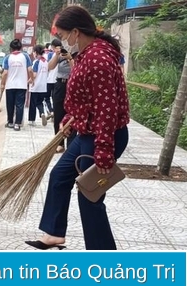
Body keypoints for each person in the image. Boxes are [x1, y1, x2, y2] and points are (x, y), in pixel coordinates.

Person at [25, 5, 130, 251]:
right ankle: (53, 233)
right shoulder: (86, 54)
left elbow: (106, 109)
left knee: (89, 196)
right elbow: (87, 98)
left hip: (103, 136)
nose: (62, 41)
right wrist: (71, 117)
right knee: (60, 176)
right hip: (86, 134)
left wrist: (104, 151)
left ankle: (103, 255)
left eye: (62, 36)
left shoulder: (98, 59)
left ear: (75, 32)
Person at [47, 38, 76, 153]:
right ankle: (59, 143)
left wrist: (70, 58)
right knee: (58, 114)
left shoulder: (78, 53)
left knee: (72, 114)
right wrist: (56, 54)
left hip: (72, 84)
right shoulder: (59, 54)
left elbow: (75, 70)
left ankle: (71, 143)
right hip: (60, 84)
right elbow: (50, 67)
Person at [0, 39, 33, 131]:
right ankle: (17, 124)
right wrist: (32, 79)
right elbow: (30, 70)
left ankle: (10, 122)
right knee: (19, 105)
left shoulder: (7, 58)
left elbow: (5, 73)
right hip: (22, 85)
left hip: (10, 85)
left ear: (11, 48)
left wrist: (2, 84)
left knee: (10, 104)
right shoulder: (25, 56)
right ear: (20, 47)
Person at [27, 45, 49, 126]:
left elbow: (35, 74)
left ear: (36, 52)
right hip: (43, 86)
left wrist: (29, 81)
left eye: (33, 52)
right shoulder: (46, 62)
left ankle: (31, 120)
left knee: (33, 103)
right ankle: (42, 113)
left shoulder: (36, 62)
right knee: (39, 102)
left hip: (35, 86)